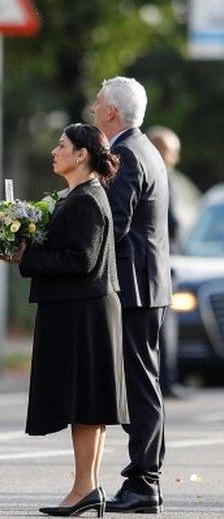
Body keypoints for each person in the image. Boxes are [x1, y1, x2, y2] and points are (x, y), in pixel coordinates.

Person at [1, 123, 128, 517]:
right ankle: (87, 488)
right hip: (81, 312)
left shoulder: (87, 199)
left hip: (84, 315)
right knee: (88, 404)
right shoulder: (77, 196)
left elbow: (81, 261)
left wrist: (27, 258)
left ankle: (84, 488)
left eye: (62, 146)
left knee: (86, 404)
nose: (54, 152)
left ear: (81, 155)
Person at [93, 77, 172, 514]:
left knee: (141, 385)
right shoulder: (145, 148)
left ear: (111, 113)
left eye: (97, 103)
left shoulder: (124, 153)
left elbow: (115, 222)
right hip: (147, 284)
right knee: (145, 382)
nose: (92, 107)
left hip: (135, 287)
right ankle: (145, 478)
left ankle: (145, 480)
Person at [147, 126, 198, 400]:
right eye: (172, 151)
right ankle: (166, 380)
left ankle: (165, 380)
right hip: (162, 261)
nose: (175, 158)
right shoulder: (162, 175)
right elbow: (173, 223)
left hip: (158, 261)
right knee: (165, 325)